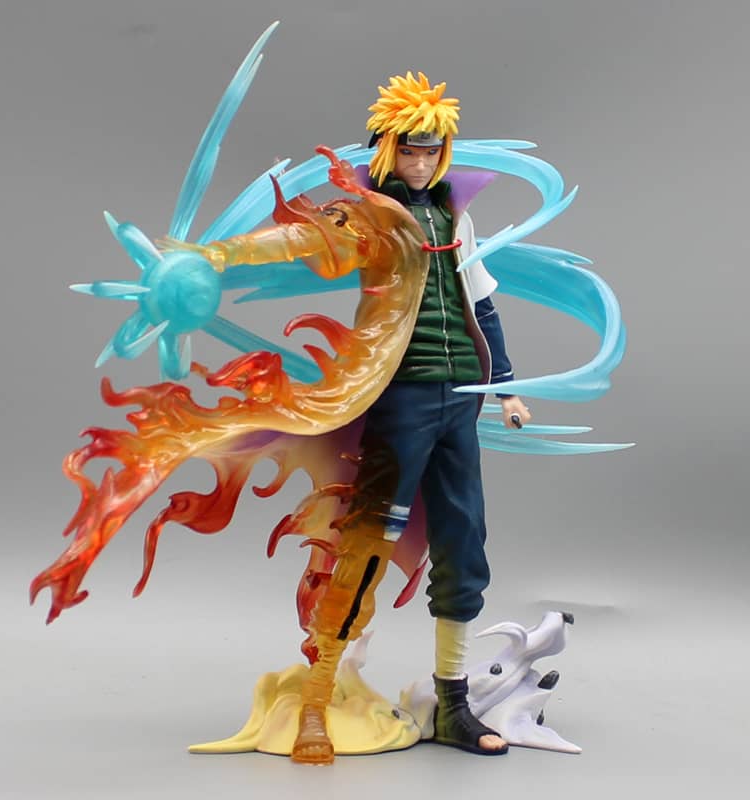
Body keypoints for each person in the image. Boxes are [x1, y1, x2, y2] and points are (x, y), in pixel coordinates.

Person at [291, 71, 531, 763]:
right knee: (366, 544)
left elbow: (480, 302)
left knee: (464, 543)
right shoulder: (369, 213)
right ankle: (317, 700)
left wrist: (507, 387)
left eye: (431, 152)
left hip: (460, 400)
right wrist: (219, 255)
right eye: (409, 150)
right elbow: (301, 246)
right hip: (399, 399)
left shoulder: (456, 216)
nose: (421, 163)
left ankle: (452, 703)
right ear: (387, 150)